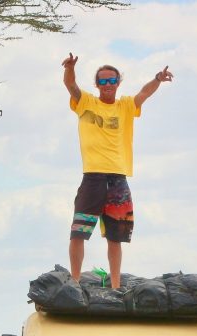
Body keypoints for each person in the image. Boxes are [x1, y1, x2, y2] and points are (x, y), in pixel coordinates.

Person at [62, 53, 173, 289]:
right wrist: (70, 68)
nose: (107, 85)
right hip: (92, 177)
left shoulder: (125, 106)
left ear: (118, 83)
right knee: (78, 232)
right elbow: (71, 85)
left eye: (112, 81)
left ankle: (115, 286)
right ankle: (74, 282)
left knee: (115, 237)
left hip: (118, 179)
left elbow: (144, 93)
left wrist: (157, 79)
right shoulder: (87, 103)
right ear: (97, 85)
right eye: (102, 81)